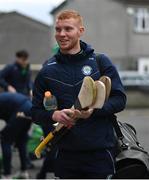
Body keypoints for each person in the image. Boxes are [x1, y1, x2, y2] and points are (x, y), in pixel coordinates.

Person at [32, 9, 127, 179]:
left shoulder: (100, 61)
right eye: (58, 29)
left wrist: (93, 111)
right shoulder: (47, 70)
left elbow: (120, 99)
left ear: (80, 31)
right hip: (65, 154)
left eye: (68, 29)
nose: (62, 34)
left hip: (100, 153)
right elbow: (35, 112)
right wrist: (54, 115)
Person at [0, 92, 32, 179]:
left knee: (5, 139)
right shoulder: (3, 99)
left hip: (21, 111)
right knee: (21, 141)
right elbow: (8, 117)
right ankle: (23, 172)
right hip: (29, 109)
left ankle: (7, 175)